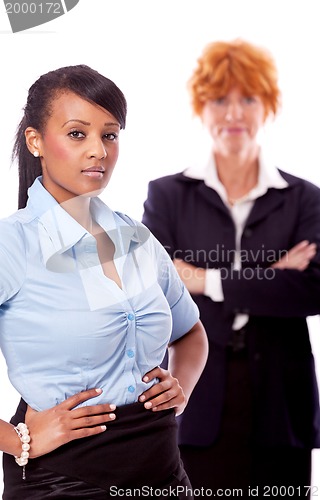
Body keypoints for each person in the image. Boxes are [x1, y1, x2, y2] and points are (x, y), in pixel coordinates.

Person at [0, 64, 209, 499]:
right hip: (64, 480)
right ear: (35, 140)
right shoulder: (13, 244)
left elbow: (191, 333)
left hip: (163, 470)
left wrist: (181, 389)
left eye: (109, 135)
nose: (98, 150)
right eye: (77, 134)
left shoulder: (135, 237)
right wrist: (20, 440)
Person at [142, 39, 320, 495]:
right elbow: (152, 286)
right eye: (219, 99)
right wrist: (274, 274)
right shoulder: (168, 196)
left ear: (269, 107)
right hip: (194, 396)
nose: (233, 113)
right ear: (202, 108)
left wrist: (204, 279)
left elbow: (313, 291)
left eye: (248, 99)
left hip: (281, 405)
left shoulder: (305, 198)